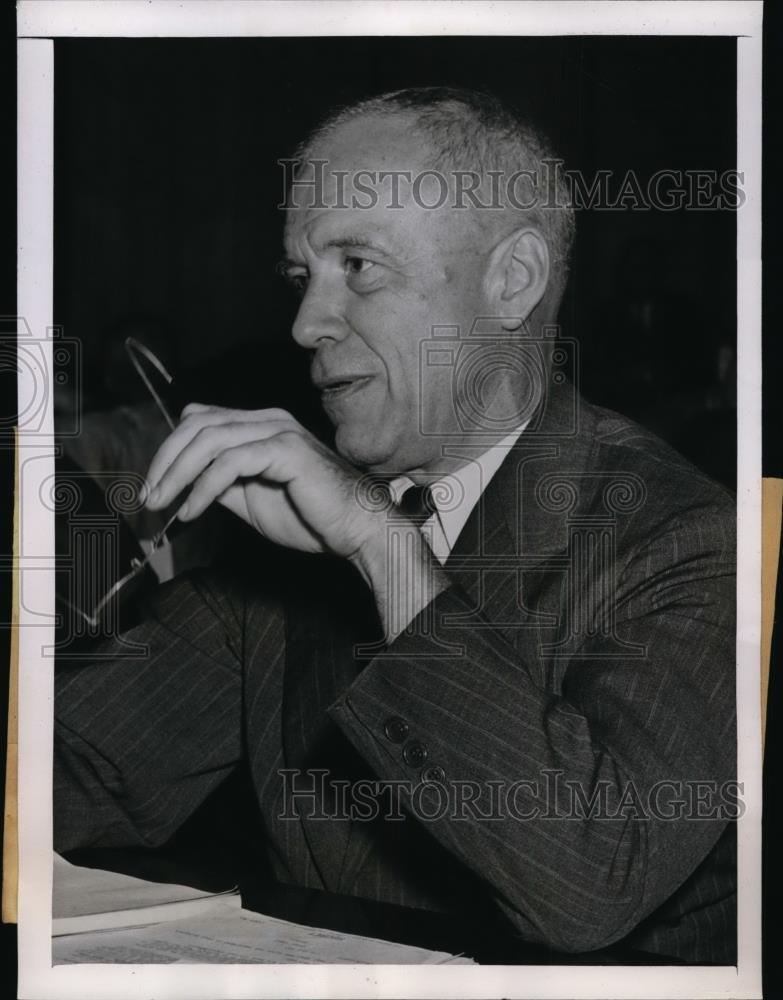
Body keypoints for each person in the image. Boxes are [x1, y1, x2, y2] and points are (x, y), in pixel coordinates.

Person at [54, 88, 736, 964]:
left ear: (512, 281)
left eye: (358, 268)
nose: (305, 323)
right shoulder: (288, 552)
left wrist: (387, 551)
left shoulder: (684, 541)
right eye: (302, 279)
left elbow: (586, 881)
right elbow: (63, 772)